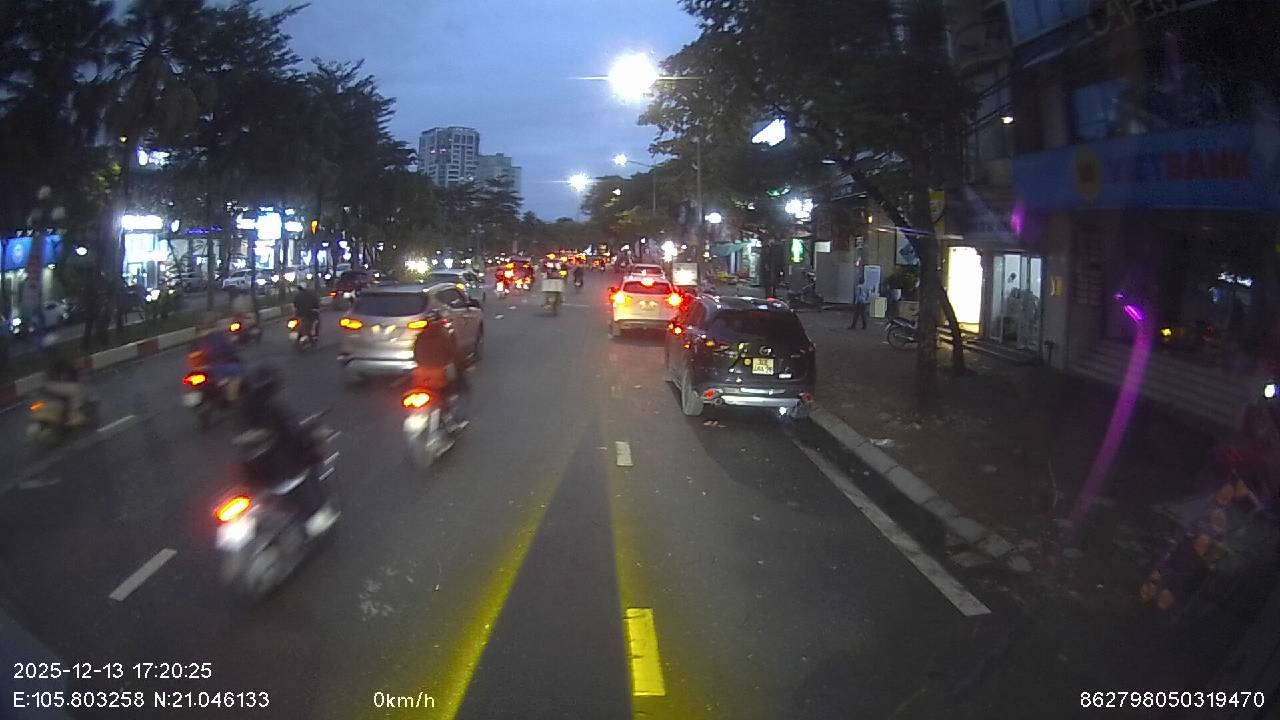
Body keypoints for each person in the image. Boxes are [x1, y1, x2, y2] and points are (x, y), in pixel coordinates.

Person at [236, 366, 334, 536]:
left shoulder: (245, 410)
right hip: (281, 470)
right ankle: (314, 517)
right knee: (308, 465)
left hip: (254, 473)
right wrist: (312, 432)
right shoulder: (275, 409)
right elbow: (294, 432)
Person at [411, 317, 469, 431]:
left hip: (421, 377)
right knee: (461, 389)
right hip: (440, 376)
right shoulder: (443, 337)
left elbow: (415, 355)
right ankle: (455, 419)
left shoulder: (420, 337)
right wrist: (463, 366)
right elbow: (455, 355)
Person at [194, 312, 243, 401]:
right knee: (237, 373)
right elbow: (229, 349)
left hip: (203, 367)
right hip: (220, 366)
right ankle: (232, 400)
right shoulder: (219, 336)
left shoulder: (198, 338)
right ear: (216, 323)